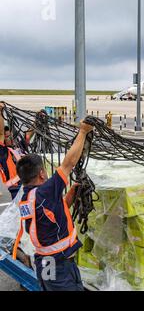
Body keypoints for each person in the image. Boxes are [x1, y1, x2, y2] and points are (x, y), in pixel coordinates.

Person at [12, 119, 94, 291]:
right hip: (58, 265)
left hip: (48, 263)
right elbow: (68, 164)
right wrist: (83, 132)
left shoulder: (27, 198)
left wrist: (71, 194)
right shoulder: (45, 192)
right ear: (42, 173)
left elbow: (50, 215)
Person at [0, 103, 23, 199]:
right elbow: (1, 132)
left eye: (9, 136)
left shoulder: (15, 148)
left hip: (22, 187)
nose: (8, 138)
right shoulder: (2, 151)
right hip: (11, 190)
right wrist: (0, 112)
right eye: (6, 137)